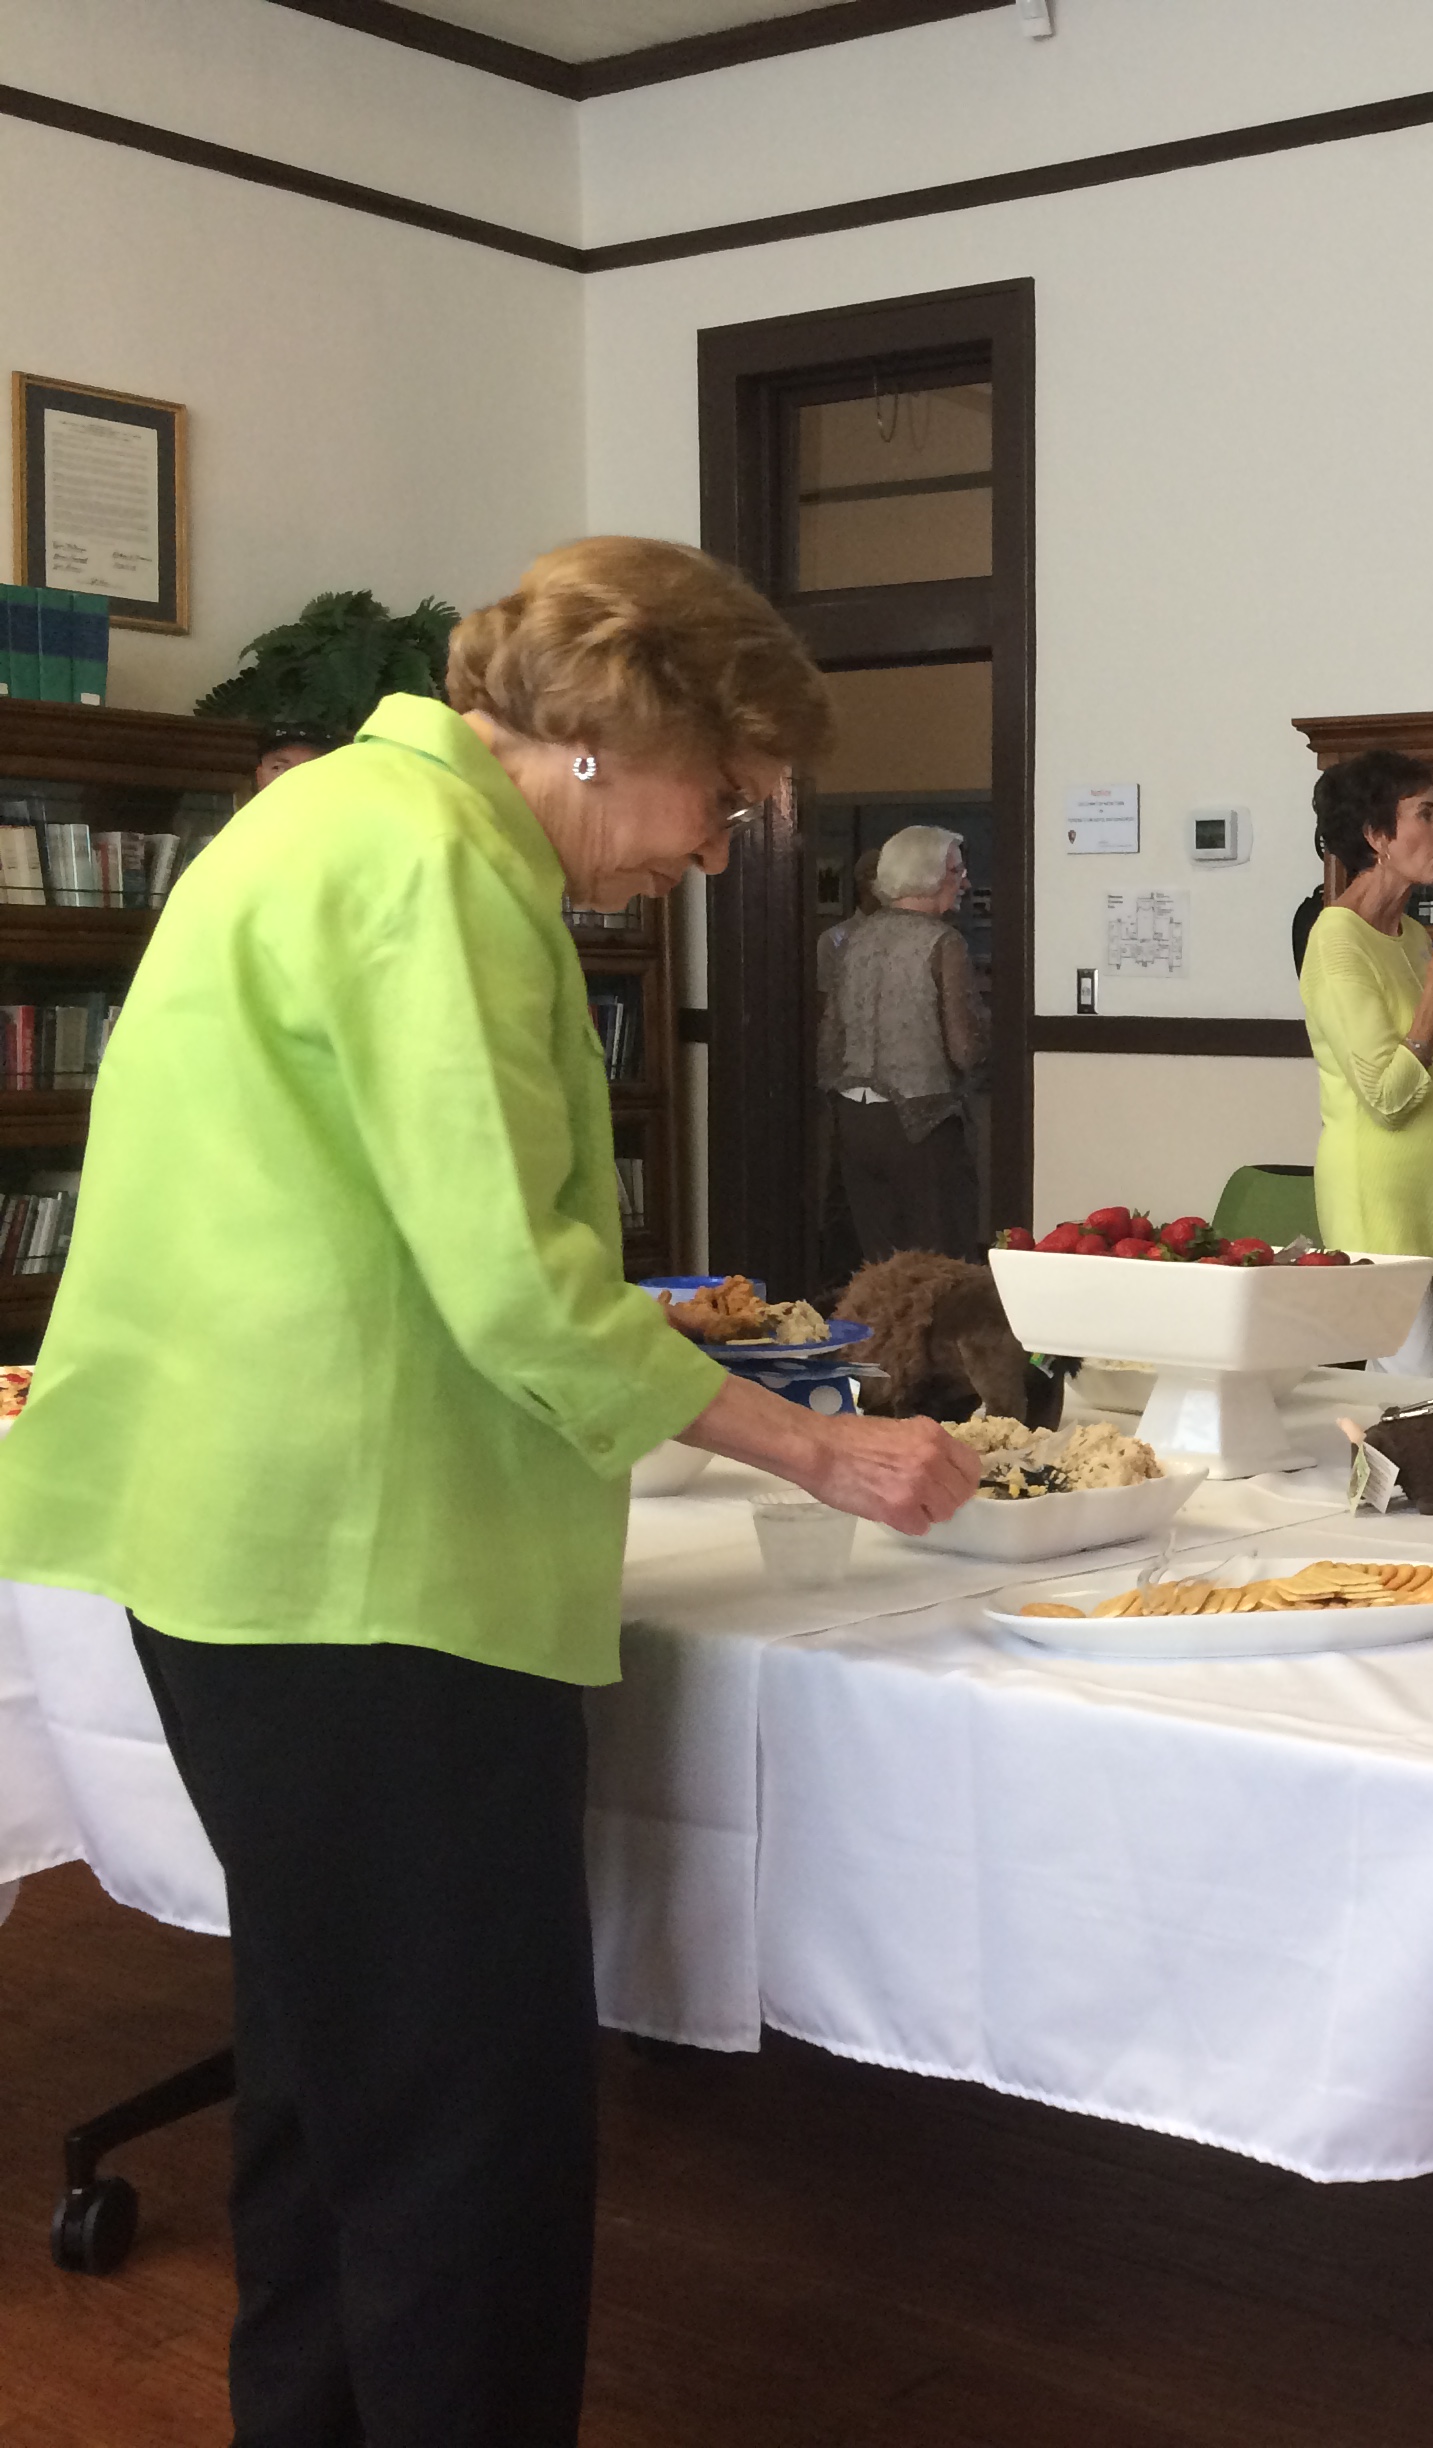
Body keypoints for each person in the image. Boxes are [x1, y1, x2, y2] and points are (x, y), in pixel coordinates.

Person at [0, 536, 978, 2446]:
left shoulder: (322, 817)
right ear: (622, 729)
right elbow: (519, 1285)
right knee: (469, 2146)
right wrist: (820, 1442)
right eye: (725, 797)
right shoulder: (440, 862)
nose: (716, 850)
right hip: (370, 1573)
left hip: (252, 1549)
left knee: (327, 2095)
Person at [1298, 747, 1433, 1374]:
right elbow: (1386, 1096)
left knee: (1396, 1402)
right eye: (1425, 815)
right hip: (1377, 1201)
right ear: (1376, 836)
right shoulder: (1335, 938)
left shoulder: (1411, 936)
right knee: (1421, 1397)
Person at [818, 822, 985, 1261]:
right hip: (923, 1122)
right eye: (956, 871)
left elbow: (830, 1038)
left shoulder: (852, 939)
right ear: (927, 875)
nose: (965, 882)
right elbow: (964, 1049)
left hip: (854, 1120)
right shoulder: (944, 942)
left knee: (881, 1263)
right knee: (940, 1262)